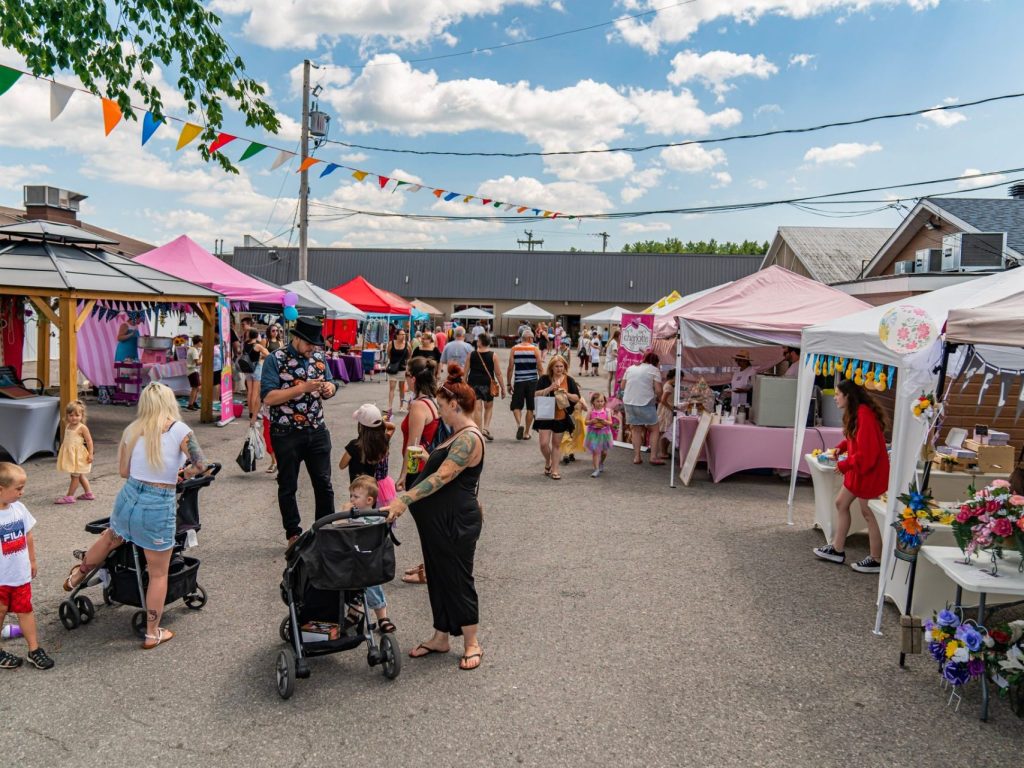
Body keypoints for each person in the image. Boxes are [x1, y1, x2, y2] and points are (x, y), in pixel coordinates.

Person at [62, 382, 208, 649]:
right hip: (158, 502)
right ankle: (153, 631)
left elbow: (124, 472)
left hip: (129, 497)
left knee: (109, 538)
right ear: (168, 403)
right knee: (158, 573)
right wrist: (181, 474)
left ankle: (77, 576)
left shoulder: (132, 430)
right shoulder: (179, 430)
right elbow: (201, 466)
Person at [385, 363, 485, 671]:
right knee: (439, 578)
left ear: (455, 405)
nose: (439, 412)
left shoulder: (468, 437)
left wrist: (406, 498)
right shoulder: (456, 434)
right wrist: (428, 459)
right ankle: (441, 636)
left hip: (455, 520)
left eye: (441, 407)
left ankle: (471, 643)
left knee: (457, 578)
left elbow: (444, 476)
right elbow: (444, 467)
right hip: (438, 521)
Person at [261, 317, 337, 546]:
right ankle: (293, 533)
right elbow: (268, 396)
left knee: (324, 483)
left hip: (316, 428)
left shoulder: (319, 357)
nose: (313, 347)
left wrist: (329, 388)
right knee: (288, 484)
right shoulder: (276, 359)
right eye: (309, 343)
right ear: (296, 338)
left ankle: (324, 530)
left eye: (315, 344)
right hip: (286, 431)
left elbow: (333, 384)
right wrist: (301, 388)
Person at [813, 379, 889, 573]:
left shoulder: (864, 415)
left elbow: (868, 452)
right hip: (860, 471)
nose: (835, 398)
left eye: (838, 394)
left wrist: (846, 464)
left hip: (869, 473)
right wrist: (841, 448)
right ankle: (837, 549)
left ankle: (876, 559)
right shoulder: (857, 413)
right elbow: (854, 438)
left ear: (848, 396)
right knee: (841, 503)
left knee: (869, 514)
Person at [0, 463, 55, 670]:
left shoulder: (19, 509)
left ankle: (34, 650)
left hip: (19, 575)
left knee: (26, 610)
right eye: (18, 488)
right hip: (1, 579)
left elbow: (28, 535)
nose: (22, 493)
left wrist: (32, 560)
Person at [396, 357, 443, 587]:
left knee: (426, 525)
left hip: (420, 470)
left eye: (406, 375)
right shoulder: (433, 402)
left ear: (413, 379)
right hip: (430, 468)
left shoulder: (417, 406)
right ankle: (428, 565)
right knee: (429, 522)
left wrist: (404, 475)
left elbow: (413, 447)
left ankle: (431, 569)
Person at [340, 475, 396, 634]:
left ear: (369, 500)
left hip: (371, 560)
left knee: (373, 588)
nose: (352, 499)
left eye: (356, 497)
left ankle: (382, 617)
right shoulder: (350, 515)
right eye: (351, 495)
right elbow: (338, 529)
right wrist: (344, 514)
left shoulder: (378, 517)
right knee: (351, 588)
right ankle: (353, 613)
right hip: (353, 559)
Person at [339, 404, 397, 508]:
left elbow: (342, 465)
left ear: (361, 426)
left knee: (357, 516)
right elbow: (392, 427)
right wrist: (379, 423)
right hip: (372, 491)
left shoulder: (354, 445)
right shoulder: (383, 441)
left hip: (358, 492)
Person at [534, 356, 581, 480]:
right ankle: (548, 461)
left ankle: (555, 469)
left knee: (556, 445)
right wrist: (549, 388)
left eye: (561, 366)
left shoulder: (569, 380)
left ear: (565, 367)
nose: (559, 369)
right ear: (551, 367)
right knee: (543, 444)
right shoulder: (544, 379)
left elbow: (577, 398)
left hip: (560, 415)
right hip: (545, 415)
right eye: (557, 366)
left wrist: (566, 394)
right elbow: (536, 394)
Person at [621, 351, 664, 466]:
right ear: (655, 362)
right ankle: (653, 457)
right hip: (645, 403)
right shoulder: (654, 370)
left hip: (629, 402)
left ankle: (637, 457)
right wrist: (659, 398)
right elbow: (659, 390)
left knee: (636, 429)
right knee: (654, 429)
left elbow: (622, 386)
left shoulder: (630, 368)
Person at [54, 400, 95, 504]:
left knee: (75, 476)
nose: (74, 417)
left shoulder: (82, 428)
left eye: (77, 415)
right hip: (71, 455)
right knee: (80, 475)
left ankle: (70, 496)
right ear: (67, 415)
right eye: (71, 415)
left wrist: (90, 454)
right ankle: (88, 493)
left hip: (78, 456)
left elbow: (89, 441)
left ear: (82, 415)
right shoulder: (68, 426)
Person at [507, 330, 543, 441]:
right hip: (533, 382)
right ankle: (526, 432)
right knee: (530, 407)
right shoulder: (535, 349)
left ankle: (519, 425)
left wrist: (509, 383)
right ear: (530, 338)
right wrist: (542, 383)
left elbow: (510, 367)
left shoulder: (514, 349)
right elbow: (540, 368)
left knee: (516, 406)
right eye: (532, 338)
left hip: (519, 381)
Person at [467, 333, 504, 442]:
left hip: (473, 383)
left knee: (477, 409)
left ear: (480, 342)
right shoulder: (493, 355)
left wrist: (463, 386)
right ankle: (486, 428)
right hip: (487, 383)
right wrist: (503, 387)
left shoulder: (471, 355)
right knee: (488, 407)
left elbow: (465, 373)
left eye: (477, 340)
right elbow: (498, 374)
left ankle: (478, 431)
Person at [243, 329, 269, 427]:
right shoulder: (257, 346)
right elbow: (268, 354)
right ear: (257, 336)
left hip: (247, 369)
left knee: (249, 391)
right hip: (256, 368)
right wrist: (261, 356)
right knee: (255, 392)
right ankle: (254, 413)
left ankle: (250, 412)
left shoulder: (245, 344)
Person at [585, 392, 614, 478]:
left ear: (604, 402)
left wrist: (605, 422)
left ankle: (601, 462)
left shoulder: (607, 411)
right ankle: (596, 469)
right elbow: (586, 422)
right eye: (598, 401)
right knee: (595, 452)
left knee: (604, 452)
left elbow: (610, 422)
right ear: (593, 402)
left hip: (604, 434)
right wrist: (591, 421)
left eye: (602, 401)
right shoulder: (591, 411)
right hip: (594, 434)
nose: (600, 403)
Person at [386, 329, 410, 415]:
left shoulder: (407, 344)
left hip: (402, 369)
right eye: (401, 334)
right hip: (393, 369)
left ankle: (401, 406)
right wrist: (393, 362)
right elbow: (388, 354)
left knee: (401, 389)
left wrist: (406, 364)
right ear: (397, 335)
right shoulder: (391, 343)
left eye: (404, 334)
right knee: (392, 388)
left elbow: (409, 355)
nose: (403, 336)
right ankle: (389, 407)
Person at [560, 391, 587, 466]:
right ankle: (566, 455)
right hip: (568, 421)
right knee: (566, 437)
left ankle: (571, 453)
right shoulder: (565, 398)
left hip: (578, 422)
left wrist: (582, 404)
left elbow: (586, 409)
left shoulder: (581, 399)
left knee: (574, 438)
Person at [656, 368, 677, 462]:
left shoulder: (668, 385)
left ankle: (663, 452)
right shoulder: (669, 386)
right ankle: (662, 452)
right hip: (666, 410)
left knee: (665, 431)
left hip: (666, 409)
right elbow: (663, 400)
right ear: (675, 377)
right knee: (665, 431)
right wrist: (671, 408)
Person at [185, 335, 202, 411]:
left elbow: (197, 358)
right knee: (195, 388)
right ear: (198, 342)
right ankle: (190, 404)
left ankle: (193, 403)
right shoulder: (194, 350)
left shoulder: (192, 349)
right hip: (193, 371)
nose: (202, 344)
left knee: (197, 387)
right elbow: (197, 362)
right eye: (202, 343)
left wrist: (201, 352)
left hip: (192, 371)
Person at [604, 330, 620, 397]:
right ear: (618, 335)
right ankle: (614, 393)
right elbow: (613, 353)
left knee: (609, 379)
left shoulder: (611, 341)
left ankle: (609, 394)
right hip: (612, 361)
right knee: (616, 378)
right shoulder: (614, 342)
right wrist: (620, 356)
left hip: (609, 360)